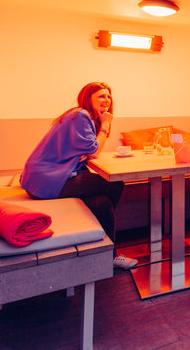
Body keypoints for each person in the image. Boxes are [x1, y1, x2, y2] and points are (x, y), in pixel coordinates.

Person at [21, 82, 137, 269]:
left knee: (102, 203)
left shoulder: (81, 116)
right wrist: (106, 124)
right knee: (115, 184)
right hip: (47, 180)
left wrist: (92, 147)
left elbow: (91, 150)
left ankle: (106, 254)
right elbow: (94, 150)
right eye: (101, 96)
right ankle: (101, 244)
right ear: (87, 97)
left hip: (48, 179)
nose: (106, 100)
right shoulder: (81, 115)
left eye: (108, 96)